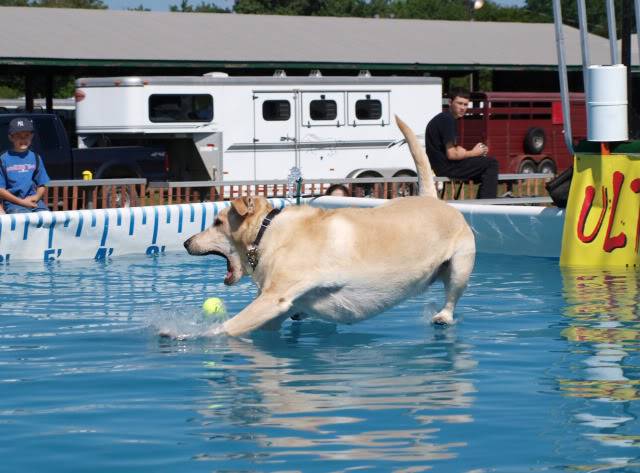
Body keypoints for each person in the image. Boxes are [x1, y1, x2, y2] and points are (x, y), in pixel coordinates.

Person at [425, 87, 498, 199]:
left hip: (441, 166)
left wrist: (467, 152)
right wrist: (474, 153)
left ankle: (483, 201)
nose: (463, 108)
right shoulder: (447, 120)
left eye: (465, 104)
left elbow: (453, 150)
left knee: (484, 166)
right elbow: (452, 154)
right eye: (459, 103)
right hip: (446, 167)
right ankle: (486, 205)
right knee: (491, 163)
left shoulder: (443, 118)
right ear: (450, 102)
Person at [0, 117, 50, 214]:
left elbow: (42, 184)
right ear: (11, 137)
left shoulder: (36, 157)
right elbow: (1, 190)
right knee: (24, 220)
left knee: (47, 218)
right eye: (18, 136)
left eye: (26, 135)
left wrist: (36, 197)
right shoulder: (3, 159)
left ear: (32, 136)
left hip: (34, 201)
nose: (23, 139)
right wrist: (22, 202)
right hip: (13, 204)